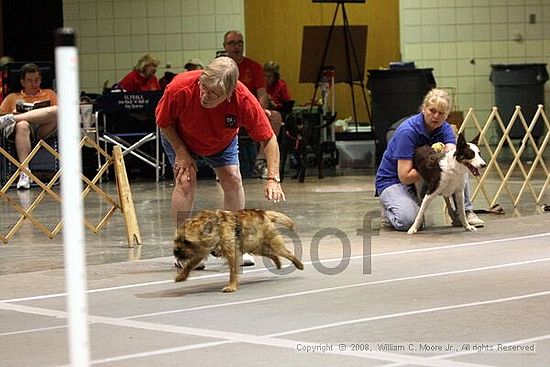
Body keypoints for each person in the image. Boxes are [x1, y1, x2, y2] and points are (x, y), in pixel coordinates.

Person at [156, 56, 285, 267]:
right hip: (180, 136)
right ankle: (184, 248)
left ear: (229, 93)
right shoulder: (179, 87)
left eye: (214, 93)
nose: (205, 96)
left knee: (233, 178)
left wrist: (273, 178)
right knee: (185, 179)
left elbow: (269, 138)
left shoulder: (243, 100)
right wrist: (181, 152)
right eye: (204, 88)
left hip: (220, 140)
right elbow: (163, 122)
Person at [375, 88, 484, 231]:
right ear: (423, 109)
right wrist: (436, 168)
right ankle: (389, 213)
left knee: (459, 164)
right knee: (408, 221)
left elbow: (452, 155)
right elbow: (405, 177)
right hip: (394, 180)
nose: (436, 116)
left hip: (428, 175)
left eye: (441, 113)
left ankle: (465, 212)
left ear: (446, 116)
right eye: (432, 111)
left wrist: (444, 166)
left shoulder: (445, 128)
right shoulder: (407, 132)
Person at [223, 30, 279, 178]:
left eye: (240, 43)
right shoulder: (220, 67)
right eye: (232, 43)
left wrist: (261, 111)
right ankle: (222, 165)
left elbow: (262, 94)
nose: (236, 46)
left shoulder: (253, 66)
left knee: (275, 117)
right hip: (226, 112)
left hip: (249, 112)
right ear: (225, 46)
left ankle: (260, 162)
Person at [0, 106, 58, 189]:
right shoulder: (11, 97)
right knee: (22, 125)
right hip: (16, 126)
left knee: (57, 110)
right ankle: (24, 172)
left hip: (41, 125)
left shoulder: (49, 93)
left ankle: (11, 118)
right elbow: (2, 112)